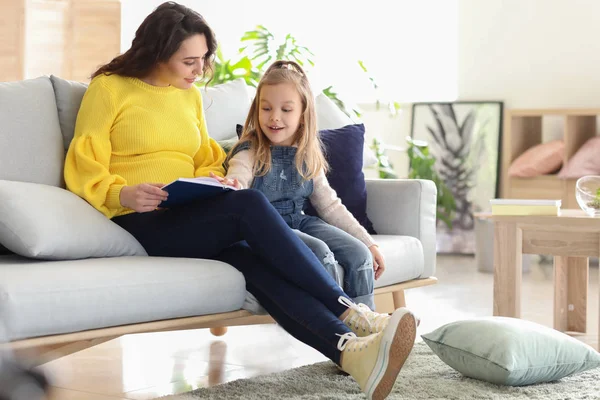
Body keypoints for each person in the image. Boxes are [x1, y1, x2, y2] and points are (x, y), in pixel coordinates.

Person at [63, 2, 417, 399]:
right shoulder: (109, 88)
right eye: (190, 61)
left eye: (203, 60)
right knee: (248, 205)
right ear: (158, 52)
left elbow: (205, 157)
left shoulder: (189, 96)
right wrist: (122, 192)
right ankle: (353, 313)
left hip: (188, 212)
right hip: (138, 218)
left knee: (249, 260)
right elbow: (83, 163)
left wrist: (212, 179)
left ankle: (350, 352)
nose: (199, 71)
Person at [219, 60, 380, 311]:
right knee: (320, 254)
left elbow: (330, 206)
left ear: (303, 112)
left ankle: (369, 325)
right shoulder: (249, 150)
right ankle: (339, 327)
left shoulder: (307, 153)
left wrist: (368, 242)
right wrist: (231, 186)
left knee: (360, 254)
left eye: (286, 109)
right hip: (268, 229)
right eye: (266, 108)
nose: (274, 117)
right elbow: (238, 179)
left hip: (300, 220)